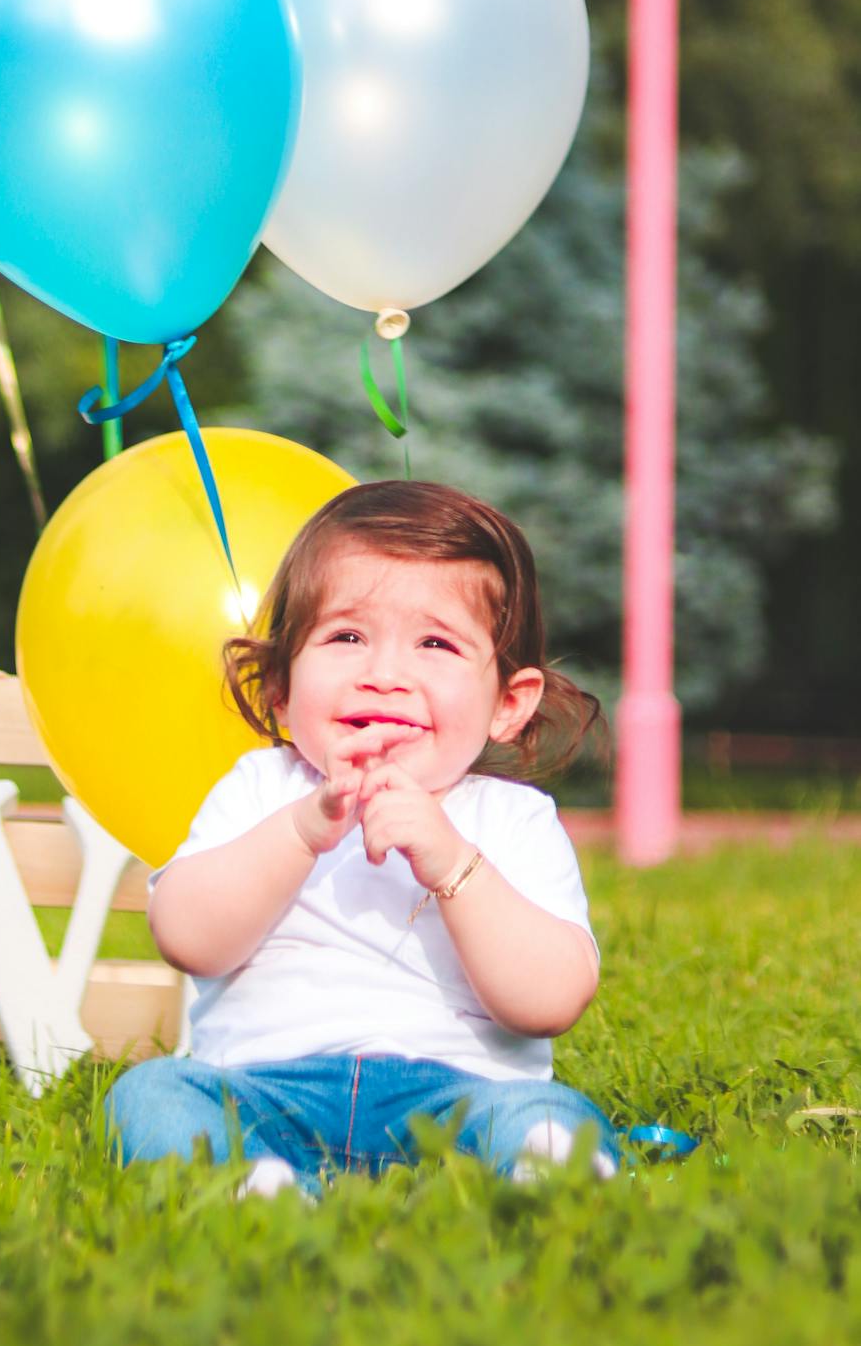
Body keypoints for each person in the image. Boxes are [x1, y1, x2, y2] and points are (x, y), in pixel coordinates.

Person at [106, 479, 618, 1195]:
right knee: (151, 1092)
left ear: (508, 703)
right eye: (346, 637)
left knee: (539, 1112)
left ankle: (543, 1167)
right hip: (265, 1092)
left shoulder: (511, 819)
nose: (384, 676)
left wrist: (450, 862)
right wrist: (301, 832)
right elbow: (188, 937)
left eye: (435, 643)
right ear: (281, 685)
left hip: (459, 1099)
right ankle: (253, 1185)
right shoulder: (263, 790)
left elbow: (550, 998)